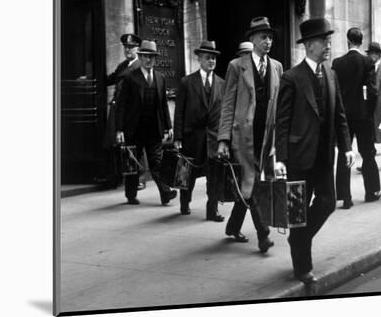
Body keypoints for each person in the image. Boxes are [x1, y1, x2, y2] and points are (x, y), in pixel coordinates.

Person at [275, 17, 354, 285]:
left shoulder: (331, 74)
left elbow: (340, 114)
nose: (329, 45)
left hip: (324, 157)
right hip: (298, 158)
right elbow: (282, 122)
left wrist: (347, 147)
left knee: (328, 203)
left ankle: (299, 238)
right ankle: (302, 267)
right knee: (297, 213)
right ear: (309, 45)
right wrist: (281, 158)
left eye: (329, 40)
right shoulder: (291, 78)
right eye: (324, 41)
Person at [217, 17, 283, 253]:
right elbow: (227, 104)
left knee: (250, 182)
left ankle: (233, 226)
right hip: (242, 137)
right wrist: (223, 139)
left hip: (266, 138)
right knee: (253, 183)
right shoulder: (237, 66)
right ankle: (263, 235)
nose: (268, 41)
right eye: (263, 37)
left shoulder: (276, 67)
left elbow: (279, 106)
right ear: (252, 39)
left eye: (270, 37)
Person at [115, 40, 177, 205]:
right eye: (145, 57)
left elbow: (163, 104)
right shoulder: (130, 78)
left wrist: (168, 126)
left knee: (157, 162)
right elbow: (121, 105)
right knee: (133, 163)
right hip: (133, 128)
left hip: (153, 128)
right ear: (140, 57)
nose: (149, 60)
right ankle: (131, 194)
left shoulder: (160, 78)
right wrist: (119, 129)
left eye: (152, 57)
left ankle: (165, 193)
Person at [173, 40, 225, 221]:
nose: (211, 61)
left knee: (214, 176)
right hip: (191, 137)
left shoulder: (222, 83)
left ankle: (212, 210)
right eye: (207, 58)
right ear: (199, 59)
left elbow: (224, 113)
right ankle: (184, 201)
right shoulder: (187, 82)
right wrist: (178, 137)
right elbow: (179, 111)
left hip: (213, 138)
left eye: (214, 58)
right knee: (188, 173)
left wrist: (224, 138)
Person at [332, 28, 380, 207]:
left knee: (345, 153)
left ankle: (345, 196)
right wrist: (369, 111)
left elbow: (333, 90)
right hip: (363, 115)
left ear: (347, 41)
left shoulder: (337, 63)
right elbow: (373, 91)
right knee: (367, 153)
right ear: (361, 41)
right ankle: (371, 191)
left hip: (344, 115)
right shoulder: (367, 62)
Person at [102, 33, 141, 188]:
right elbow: (111, 79)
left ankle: (139, 180)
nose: (128, 50)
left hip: (129, 110)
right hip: (117, 108)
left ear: (138, 49)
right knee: (115, 143)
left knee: (133, 144)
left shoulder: (139, 66)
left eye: (131, 47)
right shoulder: (123, 65)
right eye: (126, 47)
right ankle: (117, 177)